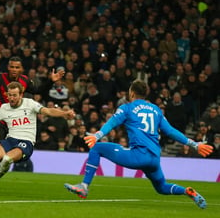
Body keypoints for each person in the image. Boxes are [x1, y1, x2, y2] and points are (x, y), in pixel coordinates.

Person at [64, 80, 213, 209]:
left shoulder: (127, 108)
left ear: (132, 93)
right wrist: (194, 144)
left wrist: (97, 135)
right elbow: (171, 131)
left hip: (138, 156)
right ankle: (186, 191)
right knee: (161, 187)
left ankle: (84, 187)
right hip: (154, 159)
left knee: (97, 148)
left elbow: (112, 122)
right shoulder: (156, 110)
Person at [0, 81, 75, 193]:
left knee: (6, 159)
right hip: (10, 140)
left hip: (26, 142)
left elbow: (48, 111)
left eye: (14, 95)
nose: (11, 98)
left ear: (21, 94)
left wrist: (64, 114)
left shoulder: (30, 103)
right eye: (9, 95)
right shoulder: (4, 108)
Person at [0, 53, 64, 148]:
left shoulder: (24, 80)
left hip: (13, 122)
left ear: (21, 69)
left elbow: (38, 90)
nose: (14, 69)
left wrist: (51, 81)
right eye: (12, 67)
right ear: (8, 67)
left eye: (17, 67)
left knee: (9, 153)